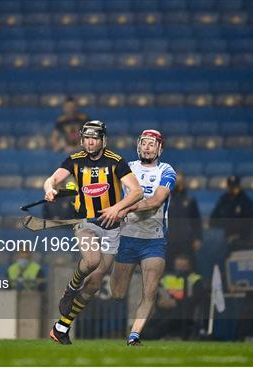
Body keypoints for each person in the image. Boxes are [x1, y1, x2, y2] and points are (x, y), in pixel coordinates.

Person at [44, 120, 143, 344]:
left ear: (103, 140)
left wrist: (117, 208)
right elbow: (52, 179)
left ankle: (61, 327)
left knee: (96, 282)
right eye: (87, 137)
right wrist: (49, 188)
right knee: (91, 261)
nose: (90, 142)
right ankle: (70, 289)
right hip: (85, 221)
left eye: (95, 138)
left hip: (112, 228)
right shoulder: (74, 160)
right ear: (82, 139)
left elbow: (136, 192)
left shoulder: (116, 161)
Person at [109, 129, 177, 346]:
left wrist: (126, 209)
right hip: (127, 238)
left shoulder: (167, 170)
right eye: (144, 143)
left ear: (160, 148)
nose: (147, 147)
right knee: (118, 294)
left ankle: (134, 335)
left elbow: (156, 201)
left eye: (152, 144)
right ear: (139, 146)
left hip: (154, 240)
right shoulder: (127, 168)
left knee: (149, 292)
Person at [143, 254, 205, 340]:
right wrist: (160, 302)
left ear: (189, 266)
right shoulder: (167, 278)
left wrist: (176, 303)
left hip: (182, 315)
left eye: (184, 267)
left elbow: (195, 299)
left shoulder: (194, 279)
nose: (181, 269)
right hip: (163, 312)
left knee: (158, 329)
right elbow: (158, 295)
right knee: (145, 329)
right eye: (179, 266)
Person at [165, 171, 202, 270]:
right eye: (176, 181)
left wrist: (197, 238)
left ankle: (190, 285)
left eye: (180, 181)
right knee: (169, 267)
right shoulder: (166, 199)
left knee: (190, 266)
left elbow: (197, 221)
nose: (178, 183)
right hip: (170, 239)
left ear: (184, 182)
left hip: (186, 240)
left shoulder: (190, 200)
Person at [209, 176, 253, 254]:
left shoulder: (245, 200)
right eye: (231, 187)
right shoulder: (224, 199)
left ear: (239, 186)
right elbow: (214, 217)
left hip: (242, 238)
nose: (233, 189)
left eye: (235, 186)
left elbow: (249, 220)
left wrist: (238, 235)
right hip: (224, 236)